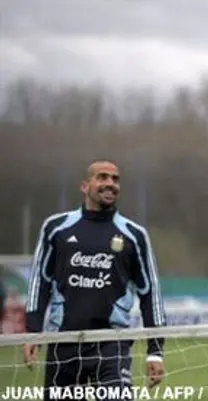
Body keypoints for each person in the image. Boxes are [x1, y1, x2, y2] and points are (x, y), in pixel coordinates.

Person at [23, 160, 167, 400]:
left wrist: (155, 352)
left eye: (115, 179)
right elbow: (40, 281)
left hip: (112, 343)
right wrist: (32, 332)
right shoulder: (56, 228)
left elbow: (150, 293)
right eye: (102, 177)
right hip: (63, 341)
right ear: (85, 186)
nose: (110, 183)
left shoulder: (134, 235)